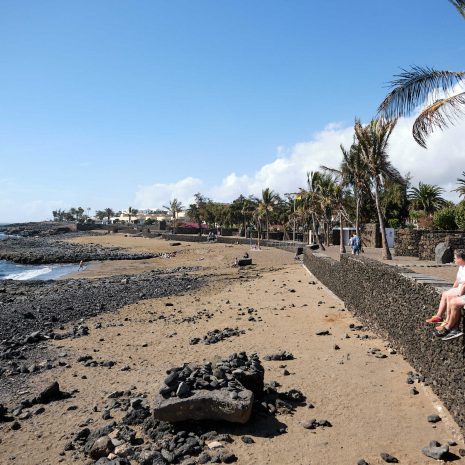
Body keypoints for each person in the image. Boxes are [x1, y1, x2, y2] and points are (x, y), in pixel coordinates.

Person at [426, 249, 465, 340]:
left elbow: (464, 285)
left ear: (461, 259)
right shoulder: (461, 267)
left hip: (462, 290)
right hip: (460, 288)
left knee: (452, 299)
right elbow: (457, 281)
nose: (454, 259)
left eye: (455, 258)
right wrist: (452, 289)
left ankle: (448, 325)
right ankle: (440, 317)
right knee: (446, 294)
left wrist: (458, 294)